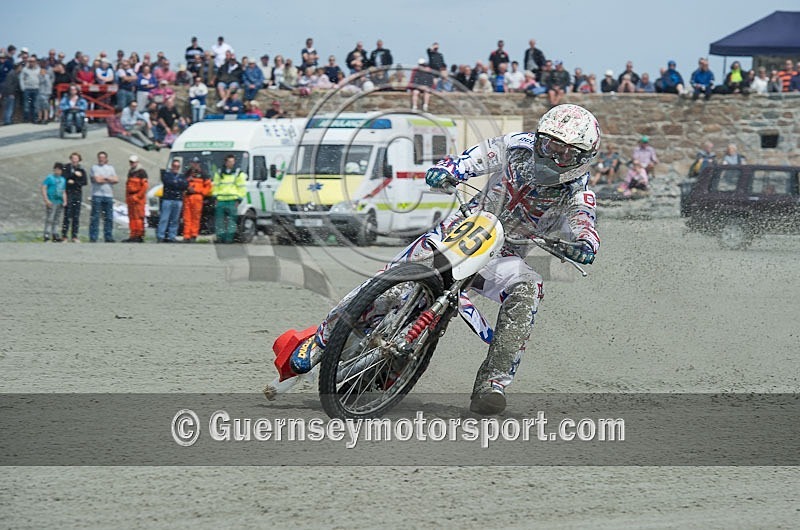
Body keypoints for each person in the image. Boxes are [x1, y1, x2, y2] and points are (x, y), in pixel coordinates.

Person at [287, 104, 601, 415]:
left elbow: (584, 222)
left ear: (583, 158)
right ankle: (321, 341)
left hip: (504, 253)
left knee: (528, 287)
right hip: (465, 225)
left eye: (566, 153)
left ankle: (492, 384)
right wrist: (450, 169)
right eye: (549, 144)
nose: (553, 156)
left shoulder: (578, 191)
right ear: (539, 138)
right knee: (393, 280)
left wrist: (584, 244)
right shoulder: (517, 146)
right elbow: (477, 157)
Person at [212, 154, 246, 243]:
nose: (231, 163)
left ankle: (229, 239)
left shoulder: (238, 173)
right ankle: (220, 237)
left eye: (232, 161)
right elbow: (215, 186)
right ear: (226, 162)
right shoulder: (219, 173)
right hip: (221, 200)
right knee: (219, 220)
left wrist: (239, 199)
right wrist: (215, 197)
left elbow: (242, 187)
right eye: (229, 161)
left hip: (232, 200)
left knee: (232, 221)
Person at [88, 151, 119, 243]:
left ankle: (108, 236)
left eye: (103, 157)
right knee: (95, 217)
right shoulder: (94, 168)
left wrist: (104, 179)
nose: (101, 159)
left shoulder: (111, 168)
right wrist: (109, 179)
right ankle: (93, 237)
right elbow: (97, 180)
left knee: (109, 217)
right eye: (100, 157)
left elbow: (116, 179)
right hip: (97, 195)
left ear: (106, 159)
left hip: (108, 195)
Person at [182, 156, 212, 242]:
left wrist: (201, 192)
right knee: (187, 217)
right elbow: (183, 183)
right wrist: (186, 188)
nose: (194, 165)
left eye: (196, 163)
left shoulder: (203, 174)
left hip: (198, 196)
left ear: (199, 164)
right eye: (193, 163)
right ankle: (186, 235)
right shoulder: (187, 173)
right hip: (187, 197)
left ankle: (193, 235)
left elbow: (208, 186)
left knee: (196, 217)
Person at [157, 159, 188, 243]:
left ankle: (172, 236)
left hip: (178, 200)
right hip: (168, 199)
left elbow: (185, 185)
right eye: (174, 166)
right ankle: (161, 236)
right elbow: (168, 183)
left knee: (175, 220)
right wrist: (177, 183)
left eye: (177, 166)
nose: (176, 168)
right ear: (171, 166)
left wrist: (176, 183)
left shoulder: (182, 176)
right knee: (164, 218)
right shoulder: (167, 175)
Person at [60, 152, 87, 242]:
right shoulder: (66, 167)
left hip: (77, 193)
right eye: (73, 158)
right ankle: (64, 236)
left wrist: (75, 182)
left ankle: (74, 236)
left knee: (76, 216)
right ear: (70, 159)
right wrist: (74, 175)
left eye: (76, 158)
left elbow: (84, 182)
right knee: (67, 215)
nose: (74, 160)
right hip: (68, 193)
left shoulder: (81, 169)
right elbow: (63, 178)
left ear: (79, 159)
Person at [122, 155, 148, 243]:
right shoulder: (130, 172)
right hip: (130, 197)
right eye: (130, 162)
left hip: (138, 198)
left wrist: (138, 197)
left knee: (138, 218)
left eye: (133, 162)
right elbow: (128, 186)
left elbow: (144, 186)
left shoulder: (142, 172)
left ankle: (139, 235)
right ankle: (133, 235)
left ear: (137, 162)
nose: (132, 164)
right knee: (131, 217)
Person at [41, 162, 67, 242]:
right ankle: (46, 234)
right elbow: (43, 188)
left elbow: (63, 191)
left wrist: (65, 200)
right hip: (51, 200)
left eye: (60, 169)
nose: (58, 171)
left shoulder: (63, 179)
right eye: (56, 169)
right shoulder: (50, 177)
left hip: (59, 201)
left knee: (57, 219)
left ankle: (55, 234)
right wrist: (46, 199)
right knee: (50, 218)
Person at [20, 56, 40, 122]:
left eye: (33, 61)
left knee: (35, 105)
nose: (31, 63)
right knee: (26, 105)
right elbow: (21, 78)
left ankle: (35, 119)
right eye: (30, 61)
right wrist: (23, 88)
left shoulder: (39, 69)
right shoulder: (25, 69)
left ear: (35, 62)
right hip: (27, 89)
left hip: (36, 89)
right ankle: (26, 119)